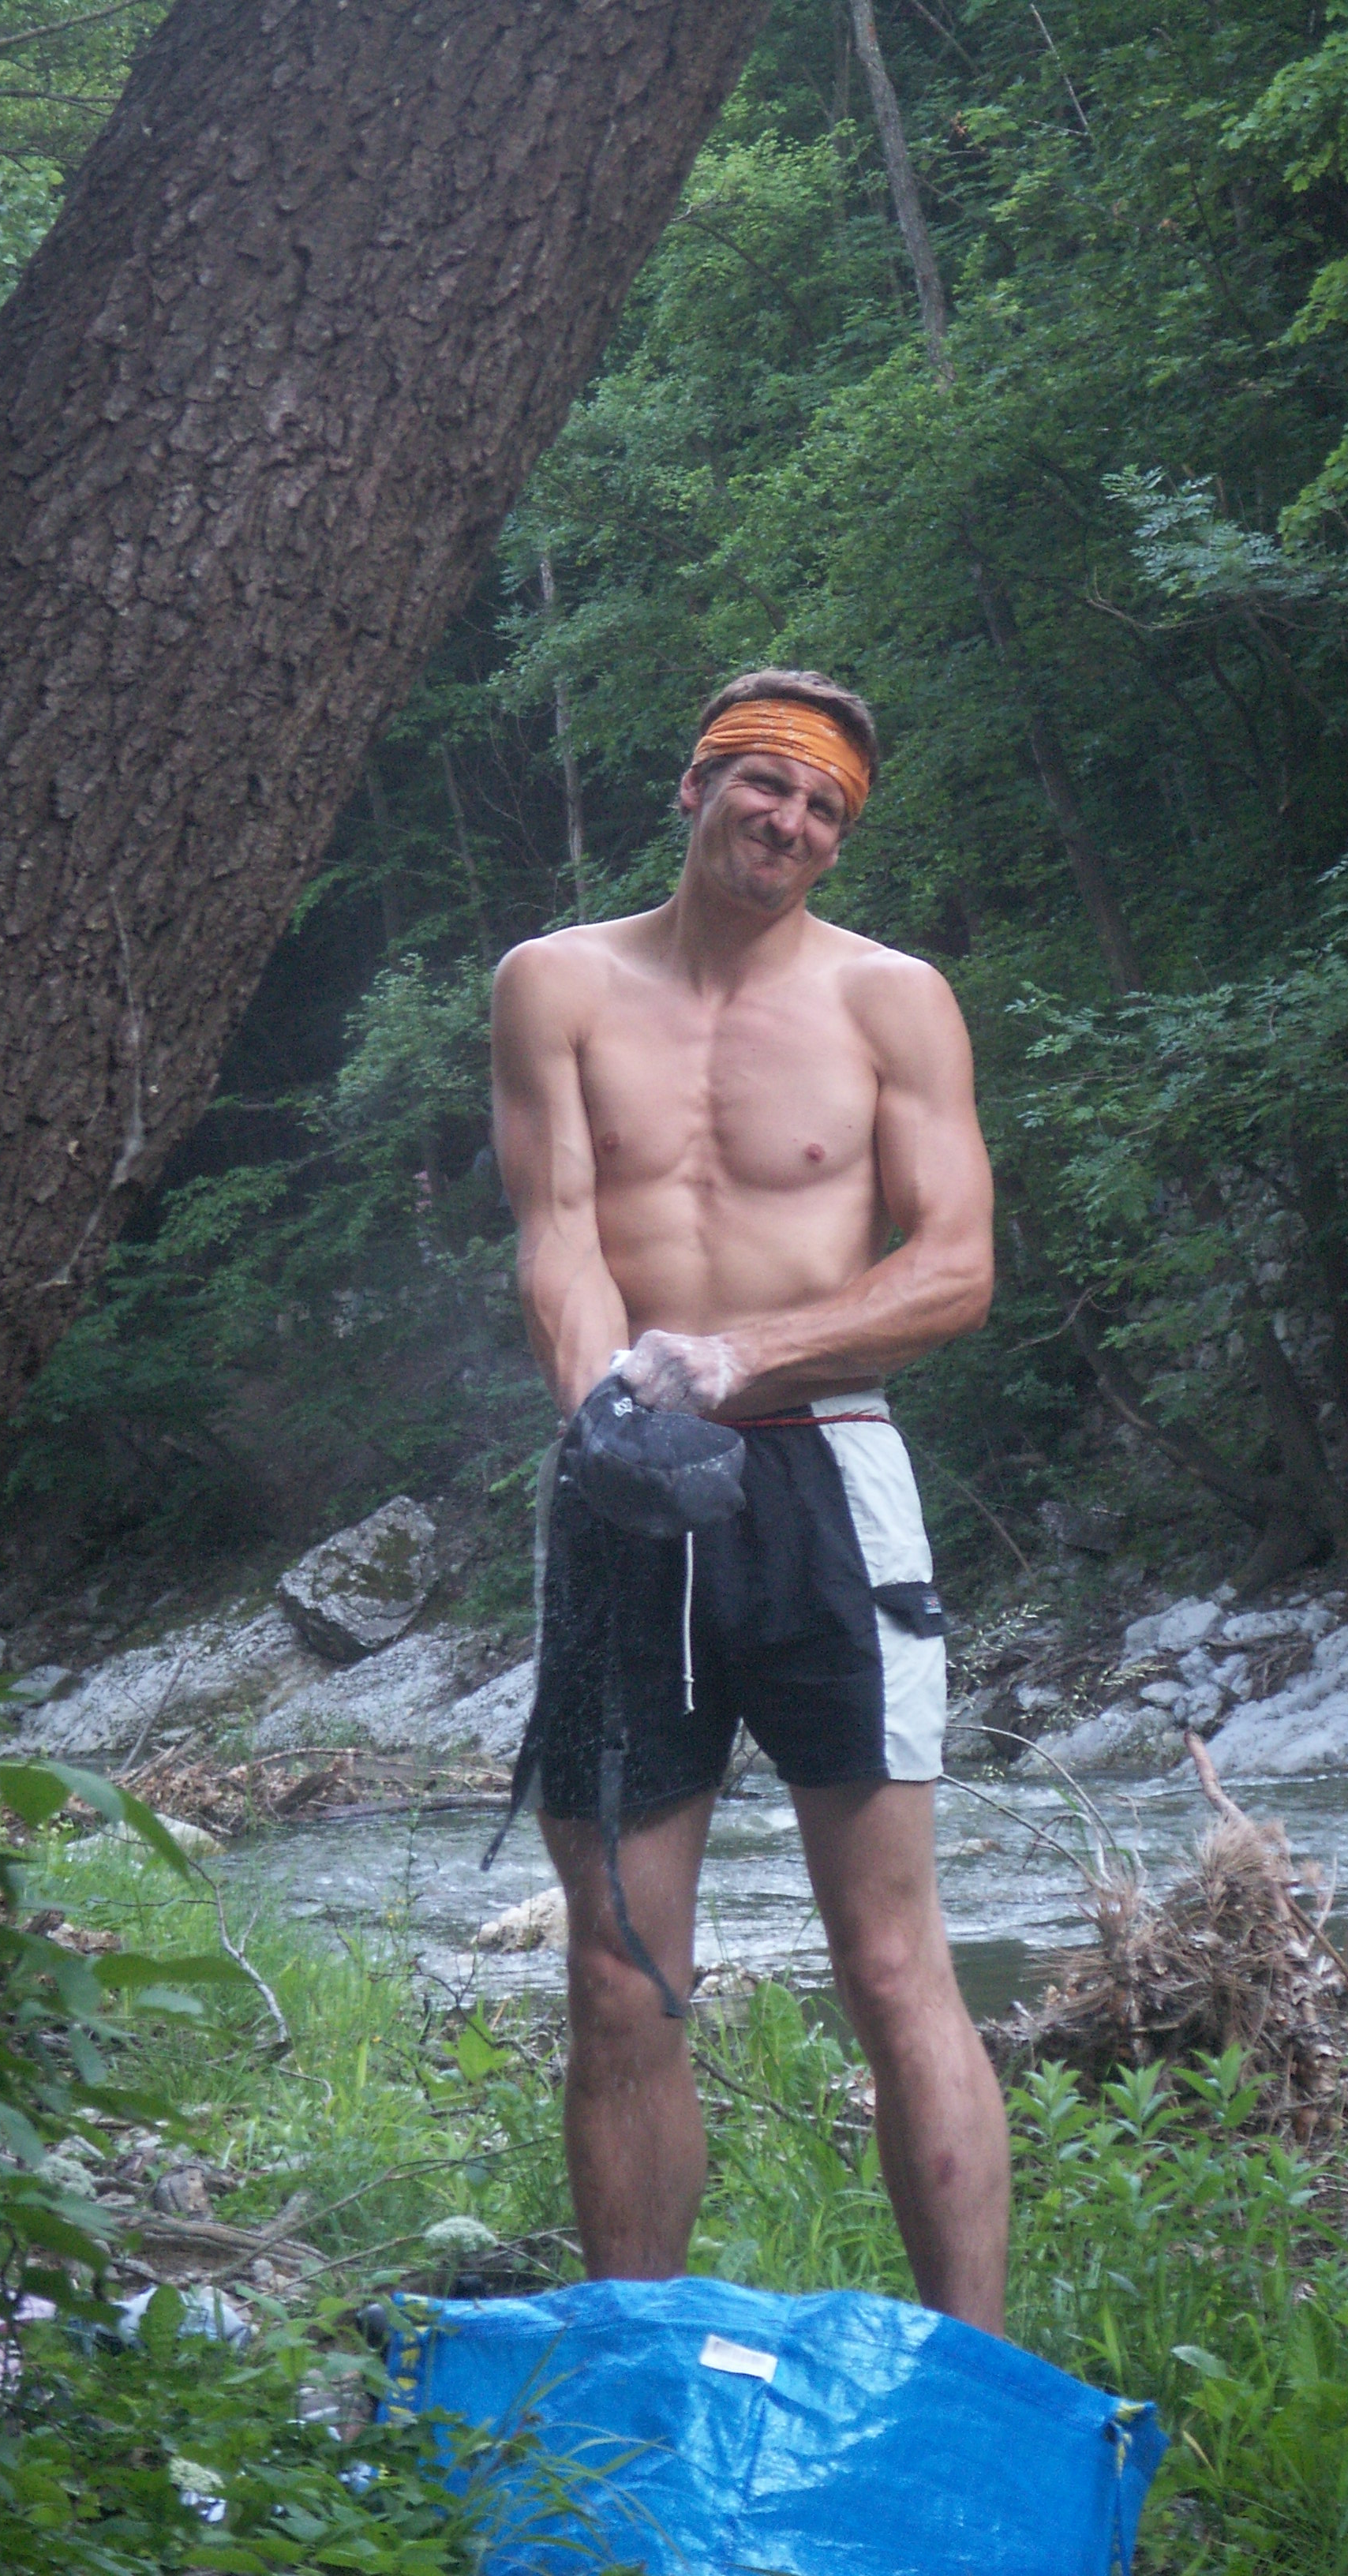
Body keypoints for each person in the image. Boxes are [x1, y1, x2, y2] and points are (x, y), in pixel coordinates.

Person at [489, 668, 1009, 2333]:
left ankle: (976, 2378)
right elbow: (559, 1234)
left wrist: (736, 1355)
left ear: (841, 839)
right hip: (623, 1482)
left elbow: (955, 1268)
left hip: (827, 1476)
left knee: (891, 1961)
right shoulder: (555, 984)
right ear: (697, 785)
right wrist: (608, 1412)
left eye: (823, 807)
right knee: (620, 1974)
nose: (787, 821)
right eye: (764, 783)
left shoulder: (892, 1002)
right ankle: (636, 2371)